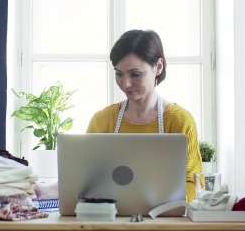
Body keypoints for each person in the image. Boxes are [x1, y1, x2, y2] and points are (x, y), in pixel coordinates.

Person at [86, 29, 203, 202]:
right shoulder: (102, 120)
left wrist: (169, 206)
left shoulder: (179, 121)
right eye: (119, 73)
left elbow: (194, 184)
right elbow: (86, 179)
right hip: (110, 221)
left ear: (159, 67)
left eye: (135, 74)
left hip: (164, 222)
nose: (125, 83)